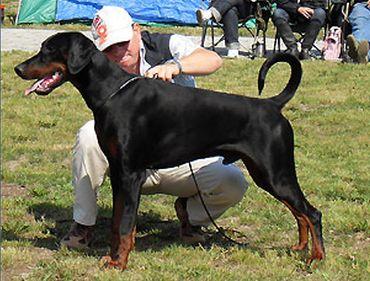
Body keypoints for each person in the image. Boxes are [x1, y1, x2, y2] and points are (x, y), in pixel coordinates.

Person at [61, 6, 249, 249]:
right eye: (108, 48)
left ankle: (191, 217)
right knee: (88, 133)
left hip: (182, 158)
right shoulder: (102, 71)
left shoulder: (166, 45)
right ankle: (83, 225)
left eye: (122, 43)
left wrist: (176, 66)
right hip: (132, 165)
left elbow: (213, 60)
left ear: (136, 30)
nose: (118, 52)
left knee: (233, 182)